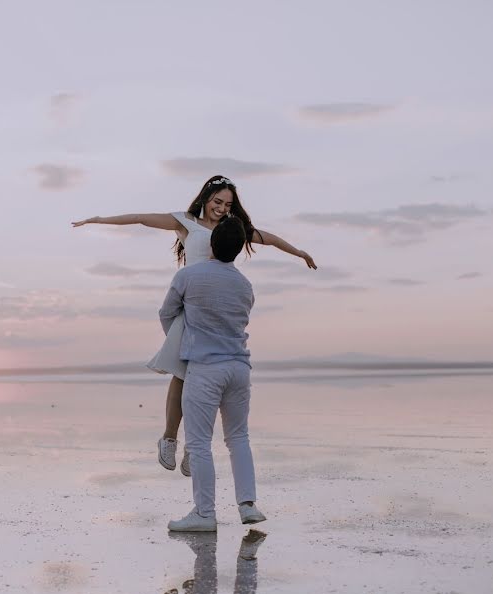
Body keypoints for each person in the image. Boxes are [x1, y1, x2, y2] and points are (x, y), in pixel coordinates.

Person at [72, 176, 316, 476]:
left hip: (218, 309)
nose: (221, 209)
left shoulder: (231, 229)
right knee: (182, 374)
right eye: (217, 203)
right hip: (191, 305)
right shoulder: (185, 222)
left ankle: (193, 447)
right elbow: (140, 219)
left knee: (206, 382)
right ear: (205, 198)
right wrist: (98, 220)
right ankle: (170, 438)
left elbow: (270, 238)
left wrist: (299, 252)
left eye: (228, 205)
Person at [160, 217, 265, 532]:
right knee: (238, 437)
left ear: (211, 244)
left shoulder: (189, 275)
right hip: (238, 368)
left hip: (204, 368)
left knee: (199, 442)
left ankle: (205, 514)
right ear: (239, 250)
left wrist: (182, 342)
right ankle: (248, 505)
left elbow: (166, 314)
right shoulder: (245, 285)